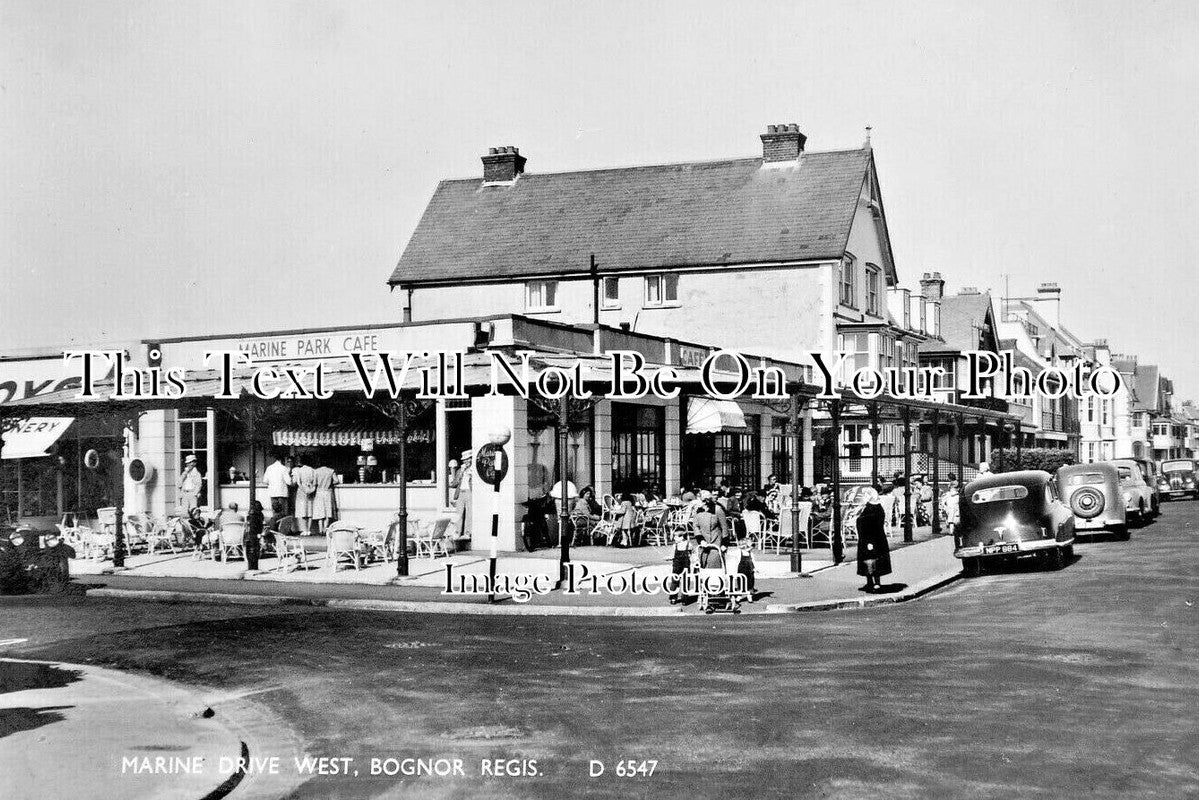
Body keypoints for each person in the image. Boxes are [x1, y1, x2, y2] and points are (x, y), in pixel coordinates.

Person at [856, 487, 892, 593]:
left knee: (873, 560)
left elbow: (871, 525)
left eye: (865, 495)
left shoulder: (873, 508)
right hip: (870, 538)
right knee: (868, 560)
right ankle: (870, 582)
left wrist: (870, 542)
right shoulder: (873, 507)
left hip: (871, 539)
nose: (864, 497)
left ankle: (876, 582)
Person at [36, 530, 76, 594]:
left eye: (52, 539)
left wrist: (61, 546)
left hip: (61, 578)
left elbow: (73, 555)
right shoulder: (44, 552)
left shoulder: (62, 548)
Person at [293, 455, 317, 536]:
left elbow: (298, 482)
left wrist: (304, 490)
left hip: (301, 491)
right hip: (310, 489)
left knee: (302, 510)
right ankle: (309, 530)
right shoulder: (313, 470)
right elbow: (315, 483)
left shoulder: (299, 470)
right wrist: (310, 490)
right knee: (310, 510)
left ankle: (304, 530)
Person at [312, 459, 336, 534]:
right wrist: (330, 483)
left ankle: (320, 529)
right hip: (327, 492)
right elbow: (336, 480)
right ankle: (325, 529)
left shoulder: (316, 471)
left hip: (319, 492)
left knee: (320, 512)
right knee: (327, 511)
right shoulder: (331, 471)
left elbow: (314, 483)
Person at [245, 500, 264, 571]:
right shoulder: (260, 515)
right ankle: (254, 567)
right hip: (256, 536)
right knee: (255, 552)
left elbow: (251, 528)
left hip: (252, 536)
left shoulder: (251, 516)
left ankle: (252, 567)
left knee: (252, 552)